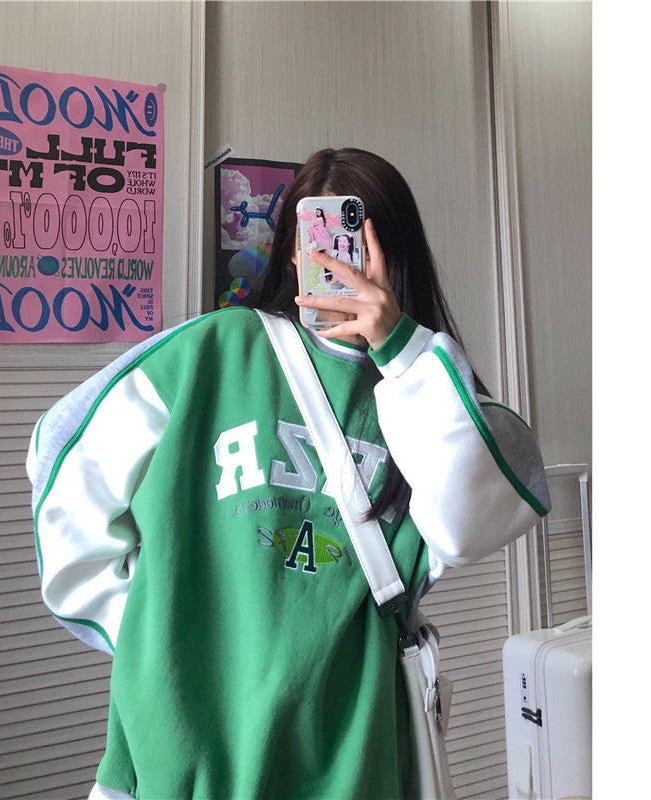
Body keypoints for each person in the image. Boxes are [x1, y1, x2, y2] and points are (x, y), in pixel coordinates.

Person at [27, 147, 550, 800]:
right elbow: (63, 453)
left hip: (350, 757)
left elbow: (470, 527)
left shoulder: (427, 393)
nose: (337, 265)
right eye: (317, 244)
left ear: (397, 259)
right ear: (293, 254)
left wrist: (400, 349)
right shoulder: (216, 349)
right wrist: (151, 637)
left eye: (359, 248)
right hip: (185, 758)